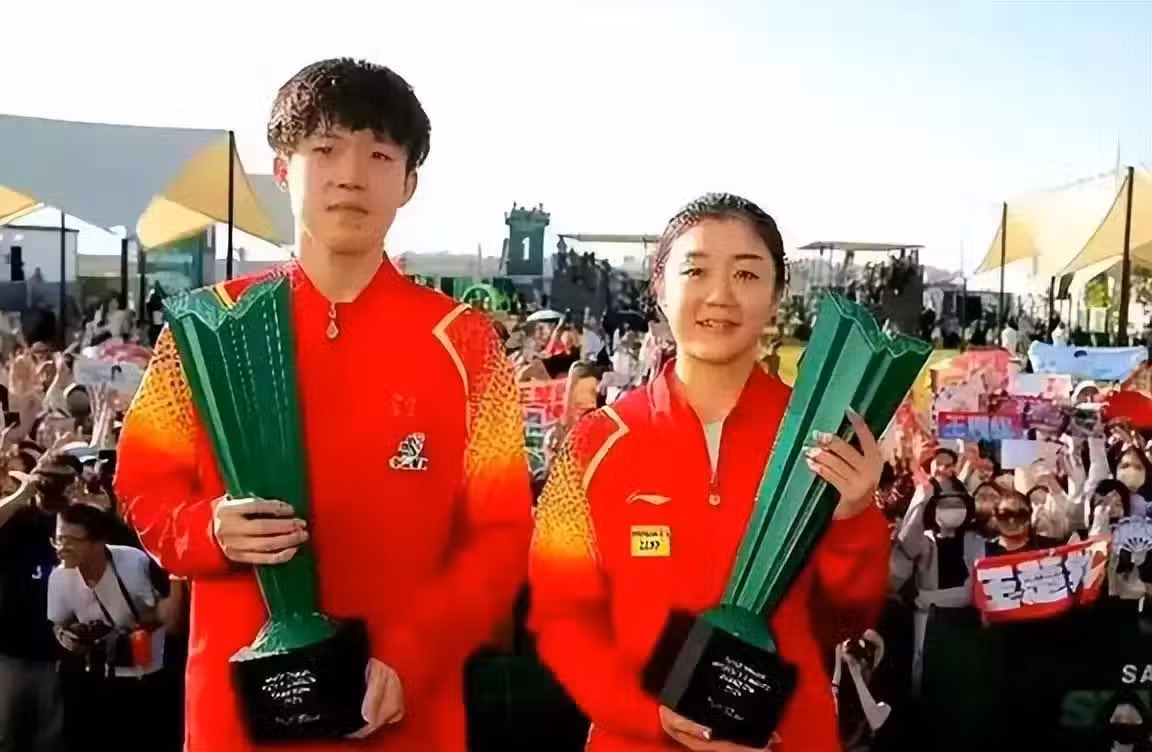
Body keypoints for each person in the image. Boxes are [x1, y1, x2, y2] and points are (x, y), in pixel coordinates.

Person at [115, 58, 533, 752]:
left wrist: (413, 653)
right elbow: (142, 487)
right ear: (284, 169)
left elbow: (501, 533)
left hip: (406, 715)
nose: (351, 175)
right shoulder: (205, 328)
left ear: (409, 183)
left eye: (380, 155)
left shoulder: (465, 342)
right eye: (326, 149)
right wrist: (207, 531)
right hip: (238, 719)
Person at [529, 193, 889, 752]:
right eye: (696, 270)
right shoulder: (596, 442)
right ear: (659, 287)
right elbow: (561, 619)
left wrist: (854, 520)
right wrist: (648, 715)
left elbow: (846, 618)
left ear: (777, 294)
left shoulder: (824, 440)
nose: (720, 295)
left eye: (746, 274)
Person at [0, 459, 67, 752]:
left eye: (59, 481)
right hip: (11, 651)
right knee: (8, 735)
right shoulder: (18, 521)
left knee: (51, 740)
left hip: (60, 655)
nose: (51, 487)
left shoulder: (77, 520)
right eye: (46, 480)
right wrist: (22, 495)